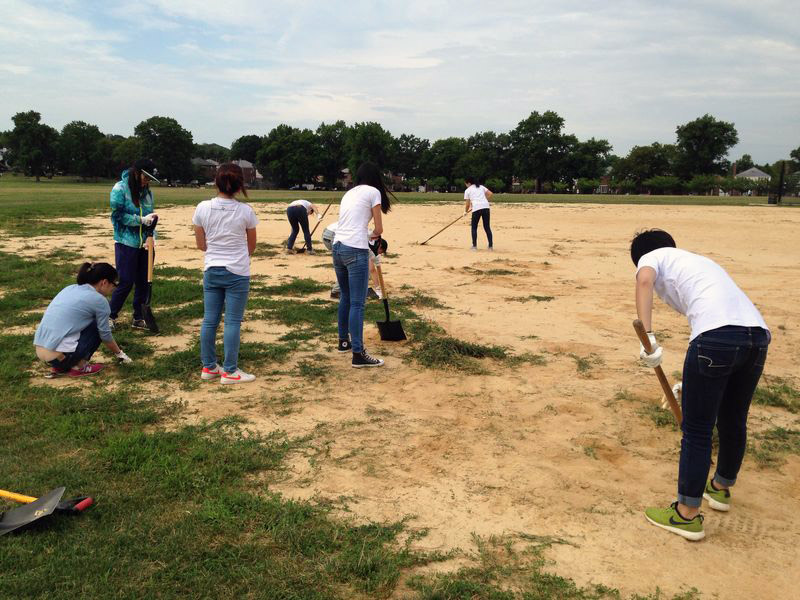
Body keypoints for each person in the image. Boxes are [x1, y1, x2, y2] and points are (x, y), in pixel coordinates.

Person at [632, 229, 770, 541]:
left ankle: (686, 515)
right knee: (733, 418)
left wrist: (649, 338)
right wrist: (691, 383)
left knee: (696, 429)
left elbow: (644, 281)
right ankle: (720, 488)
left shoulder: (651, 256)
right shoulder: (696, 262)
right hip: (757, 338)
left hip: (718, 339)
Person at [192, 163, 259, 384]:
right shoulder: (245, 211)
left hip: (212, 269)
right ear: (240, 186)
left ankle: (209, 366)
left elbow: (201, 245)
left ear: (216, 182)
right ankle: (230, 371)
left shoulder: (202, 208)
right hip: (237, 272)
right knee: (232, 321)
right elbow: (252, 246)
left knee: (209, 320)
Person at [332, 162, 393, 368]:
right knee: (357, 303)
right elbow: (379, 227)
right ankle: (358, 353)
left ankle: (344, 342)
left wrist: (366, 234)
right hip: (354, 250)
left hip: (337, 248)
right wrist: (373, 236)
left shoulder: (349, 193)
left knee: (346, 297)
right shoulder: (373, 192)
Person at [34, 262, 133, 377]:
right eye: (114, 284)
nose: (114, 288)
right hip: (62, 357)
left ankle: (59, 367)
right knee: (97, 325)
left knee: (81, 322)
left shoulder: (69, 288)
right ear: (104, 282)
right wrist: (120, 354)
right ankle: (79, 367)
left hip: (42, 353)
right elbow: (105, 335)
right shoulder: (100, 300)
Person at [109, 158, 159, 330]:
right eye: (145, 177)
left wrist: (150, 237)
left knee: (143, 282)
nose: (147, 181)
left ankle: (138, 317)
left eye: (150, 179)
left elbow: (150, 218)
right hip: (126, 242)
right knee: (126, 281)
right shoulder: (120, 188)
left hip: (145, 244)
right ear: (136, 173)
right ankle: (110, 316)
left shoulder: (148, 193)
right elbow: (117, 216)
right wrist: (140, 220)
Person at [323, 220, 387, 299]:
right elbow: (371, 269)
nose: (380, 254)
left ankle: (344, 288)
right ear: (380, 246)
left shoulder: (371, 241)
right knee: (349, 264)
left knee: (349, 264)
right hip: (333, 234)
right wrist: (378, 290)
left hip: (330, 233)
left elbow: (377, 267)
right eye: (381, 252)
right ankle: (336, 291)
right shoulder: (366, 243)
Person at [464, 176, 493, 251]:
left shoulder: (468, 190)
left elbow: (467, 204)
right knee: (487, 227)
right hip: (486, 207)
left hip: (476, 208)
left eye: (466, 184)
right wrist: (483, 200)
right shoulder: (481, 187)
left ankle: (474, 246)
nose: (466, 185)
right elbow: (490, 194)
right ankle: (490, 246)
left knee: (474, 227)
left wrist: (465, 212)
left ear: (469, 183)